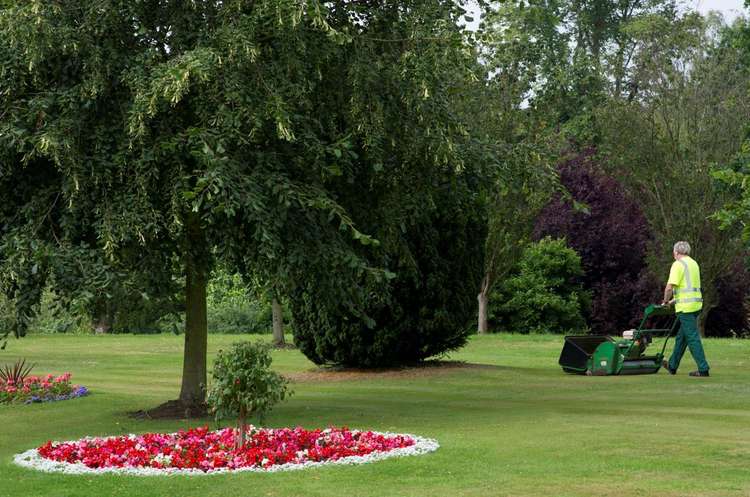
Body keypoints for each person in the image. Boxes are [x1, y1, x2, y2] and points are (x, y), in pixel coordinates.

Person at [661, 241, 710, 377]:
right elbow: (687, 289)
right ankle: (672, 366)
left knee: (692, 337)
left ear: (676, 252)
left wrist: (665, 301)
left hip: (685, 308)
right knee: (681, 337)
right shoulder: (693, 263)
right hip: (696, 306)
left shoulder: (677, 264)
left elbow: (670, 287)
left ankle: (703, 368)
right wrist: (671, 302)